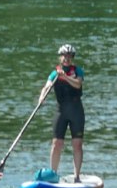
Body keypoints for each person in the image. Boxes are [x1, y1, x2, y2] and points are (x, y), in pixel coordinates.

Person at [34, 43, 84, 179]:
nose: (67, 59)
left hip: (76, 110)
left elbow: (78, 83)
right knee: (57, 143)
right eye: (64, 56)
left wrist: (65, 77)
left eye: (69, 56)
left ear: (72, 58)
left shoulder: (77, 71)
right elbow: (47, 86)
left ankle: (77, 176)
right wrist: (41, 97)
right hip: (61, 111)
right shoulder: (54, 73)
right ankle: (53, 174)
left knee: (77, 144)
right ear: (60, 57)